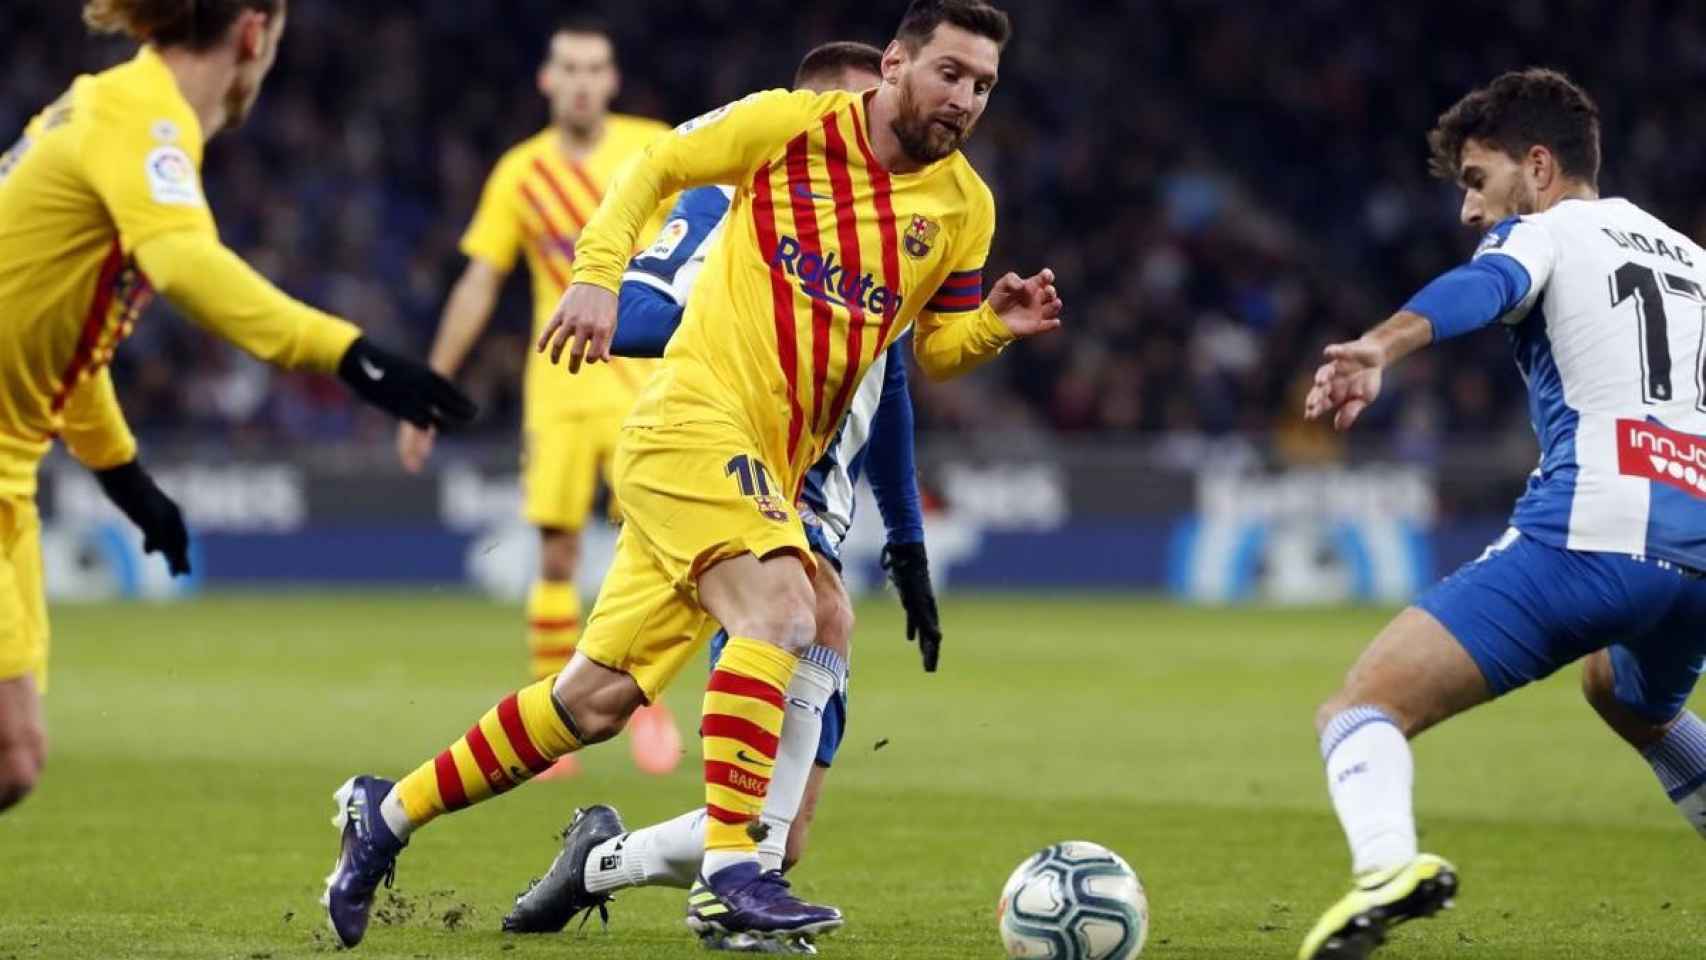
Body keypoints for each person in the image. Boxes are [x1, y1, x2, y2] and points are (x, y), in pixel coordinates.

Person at [324, 0, 1060, 951]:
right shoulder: (793, 127)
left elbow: (936, 350)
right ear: (896, 65)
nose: (966, 99)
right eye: (951, 74)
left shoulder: (966, 208)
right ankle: (735, 871)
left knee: (594, 702)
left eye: (985, 86)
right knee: (788, 613)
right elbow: (658, 164)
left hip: (761, 463)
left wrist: (998, 323)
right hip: (691, 422)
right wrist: (596, 272)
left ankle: (383, 817)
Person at [497, 42, 945, 949]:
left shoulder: (885, 239)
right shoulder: (732, 207)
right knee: (763, 654)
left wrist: (906, 540)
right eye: (853, 113)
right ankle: (723, 898)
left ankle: (599, 863)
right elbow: (650, 310)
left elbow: (891, 389)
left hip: (820, 526)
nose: (870, 137)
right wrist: (593, 300)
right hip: (738, 501)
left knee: (788, 840)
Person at [0, 0, 473, 815]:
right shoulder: (138, 117)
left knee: (14, 758)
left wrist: (127, 481)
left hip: (12, 474)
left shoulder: (109, 107)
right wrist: (349, 356)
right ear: (254, 32)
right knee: (12, 751)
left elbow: (61, 347)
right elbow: (187, 265)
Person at [1298, 68, 1706, 959]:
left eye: (1476, 182)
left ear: (1538, 166)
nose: (1469, 212)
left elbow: (1481, 289)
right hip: (1700, 553)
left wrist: (1379, 345)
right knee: (1624, 695)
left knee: (1360, 710)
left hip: (1592, 537)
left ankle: (1385, 870)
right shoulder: (1692, 261)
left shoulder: (1547, 232)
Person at [396, 23, 680, 774]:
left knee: (657, 553)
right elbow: (481, 279)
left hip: (646, 385)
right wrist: (430, 383)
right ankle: (553, 712)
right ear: (546, 82)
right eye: (569, 68)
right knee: (556, 552)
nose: (583, 81)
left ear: (611, 80)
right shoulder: (520, 172)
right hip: (556, 387)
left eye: (595, 68)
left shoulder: (653, 148)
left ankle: (645, 705)